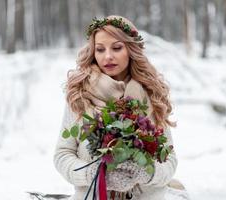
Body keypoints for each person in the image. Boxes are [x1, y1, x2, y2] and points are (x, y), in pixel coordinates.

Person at [53, 15, 189, 200]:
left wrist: (148, 174)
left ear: (131, 49)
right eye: (100, 50)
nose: (107, 56)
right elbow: (63, 154)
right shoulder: (80, 95)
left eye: (116, 48)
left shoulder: (150, 95)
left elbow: (169, 160)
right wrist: (91, 173)